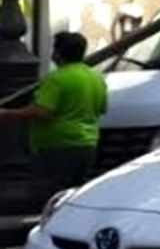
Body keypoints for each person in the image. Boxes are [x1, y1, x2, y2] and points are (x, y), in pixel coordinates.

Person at [0, 32, 109, 195]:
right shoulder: (95, 78)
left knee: (49, 195)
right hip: (88, 145)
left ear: (58, 53)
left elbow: (42, 112)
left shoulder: (57, 79)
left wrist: (7, 114)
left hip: (56, 146)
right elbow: (101, 108)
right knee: (74, 195)